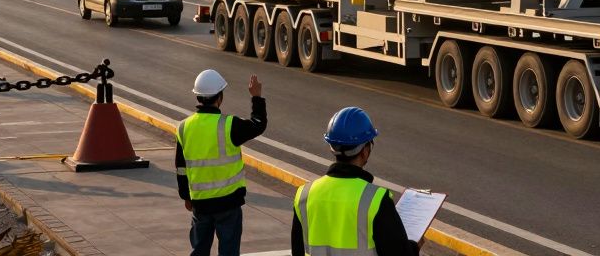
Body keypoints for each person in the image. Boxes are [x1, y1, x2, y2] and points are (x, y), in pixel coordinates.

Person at [291, 107, 420, 256]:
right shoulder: (376, 201)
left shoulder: (304, 196)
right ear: (365, 150)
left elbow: (298, 251)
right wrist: (414, 247)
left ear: (332, 148)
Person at [176, 70, 266, 256]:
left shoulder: (184, 127)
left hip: (200, 204)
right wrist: (256, 97)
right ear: (220, 98)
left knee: (199, 250)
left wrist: (186, 196)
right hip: (228, 204)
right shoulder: (229, 125)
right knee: (229, 251)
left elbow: (181, 168)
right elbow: (258, 124)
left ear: (198, 97)